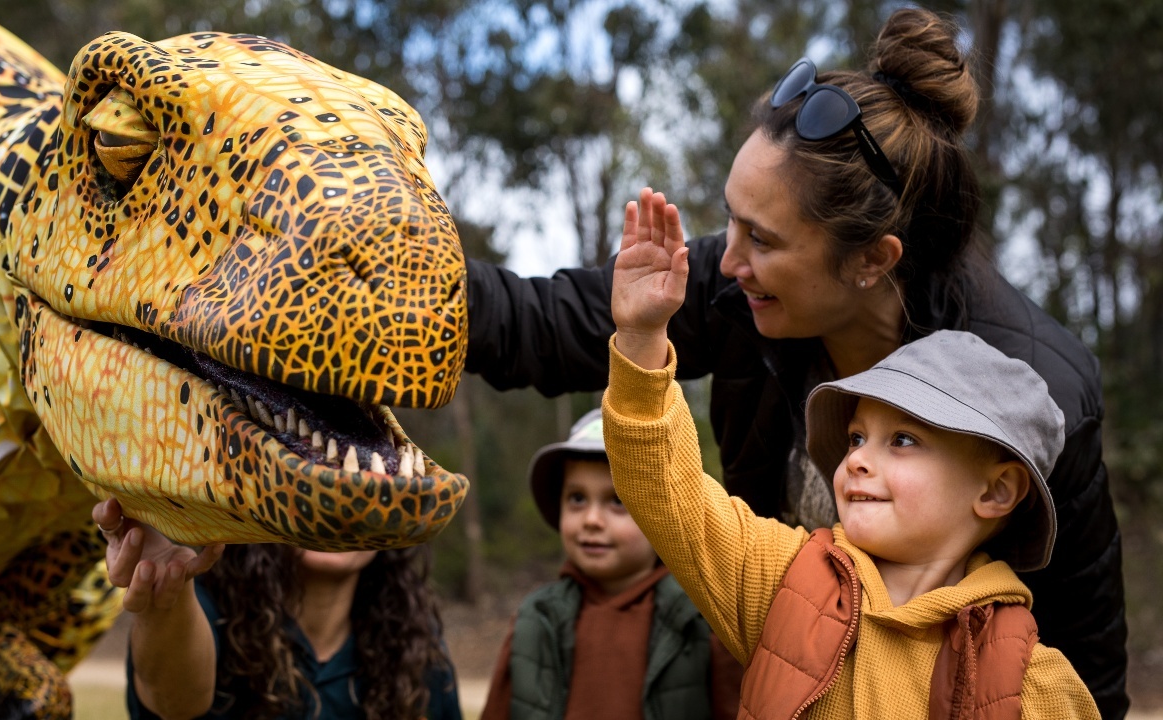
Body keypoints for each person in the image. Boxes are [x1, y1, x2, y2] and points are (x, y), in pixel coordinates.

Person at [462, 7, 1127, 716]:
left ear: (873, 259)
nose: (728, 260)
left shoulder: (1033, 389)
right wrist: (398, 275)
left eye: (764, 239)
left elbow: (1088, 663)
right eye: (732, 220)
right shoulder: (778, 575)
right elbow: (544, 325)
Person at [605, 193, 1098, 715]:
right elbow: (667, 493)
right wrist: (640, 336)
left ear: (996, 490)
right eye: (857, 437)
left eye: (903, 440)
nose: (857, 459)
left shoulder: (1036, 684)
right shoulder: (785, 582)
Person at [93, 497, 462, 720]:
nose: (338, 505)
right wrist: (164, 594)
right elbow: (174, 704)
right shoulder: (213, 608)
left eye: (362, 490)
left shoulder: (414, 651)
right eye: (317, 481)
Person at [479, 408, 742, 720]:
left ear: (663, 513)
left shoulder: (701, 620)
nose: (591, 520)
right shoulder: (535, 620)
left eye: (618, 501)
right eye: (577, 498)